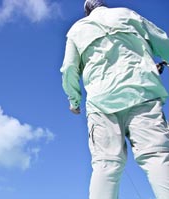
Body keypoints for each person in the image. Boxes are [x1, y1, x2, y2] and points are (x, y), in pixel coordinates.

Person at [60, 0, 169, 198]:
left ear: (87, 12)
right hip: (143, 93)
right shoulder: (128, 14)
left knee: (106, 164)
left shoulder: (77, 29)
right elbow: (163, 42)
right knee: (157, 154)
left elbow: (69, 69)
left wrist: (74, 101)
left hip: (101, 104)